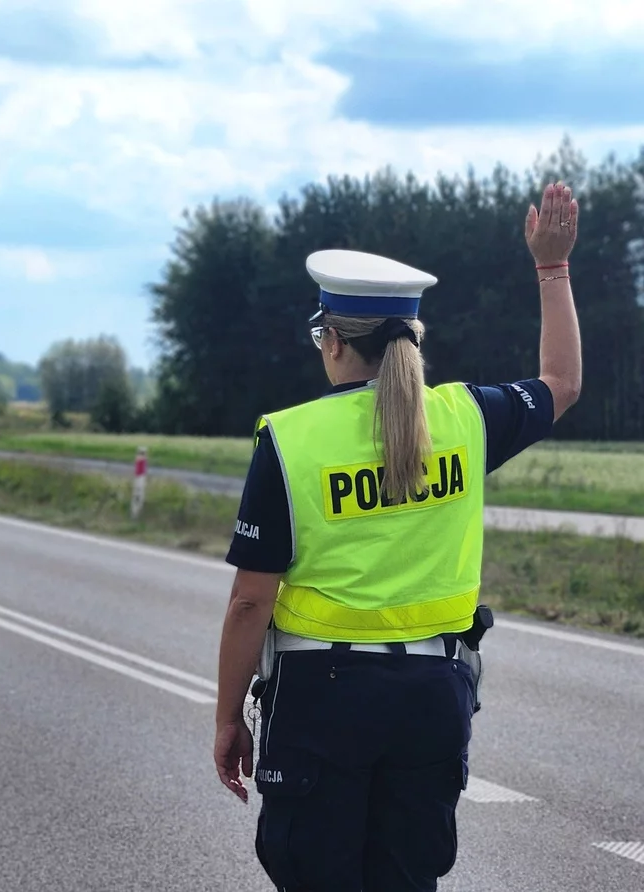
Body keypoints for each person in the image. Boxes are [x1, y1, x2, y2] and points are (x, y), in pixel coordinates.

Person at [212, 181, 583, 891]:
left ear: (331, 340)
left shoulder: (290, 439)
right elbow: (560, 382)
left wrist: (228, 718)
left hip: (320, 701)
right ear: (412, 339)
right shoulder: (467, 417)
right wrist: (552, 266)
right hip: (432, 697)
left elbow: (249, 603)